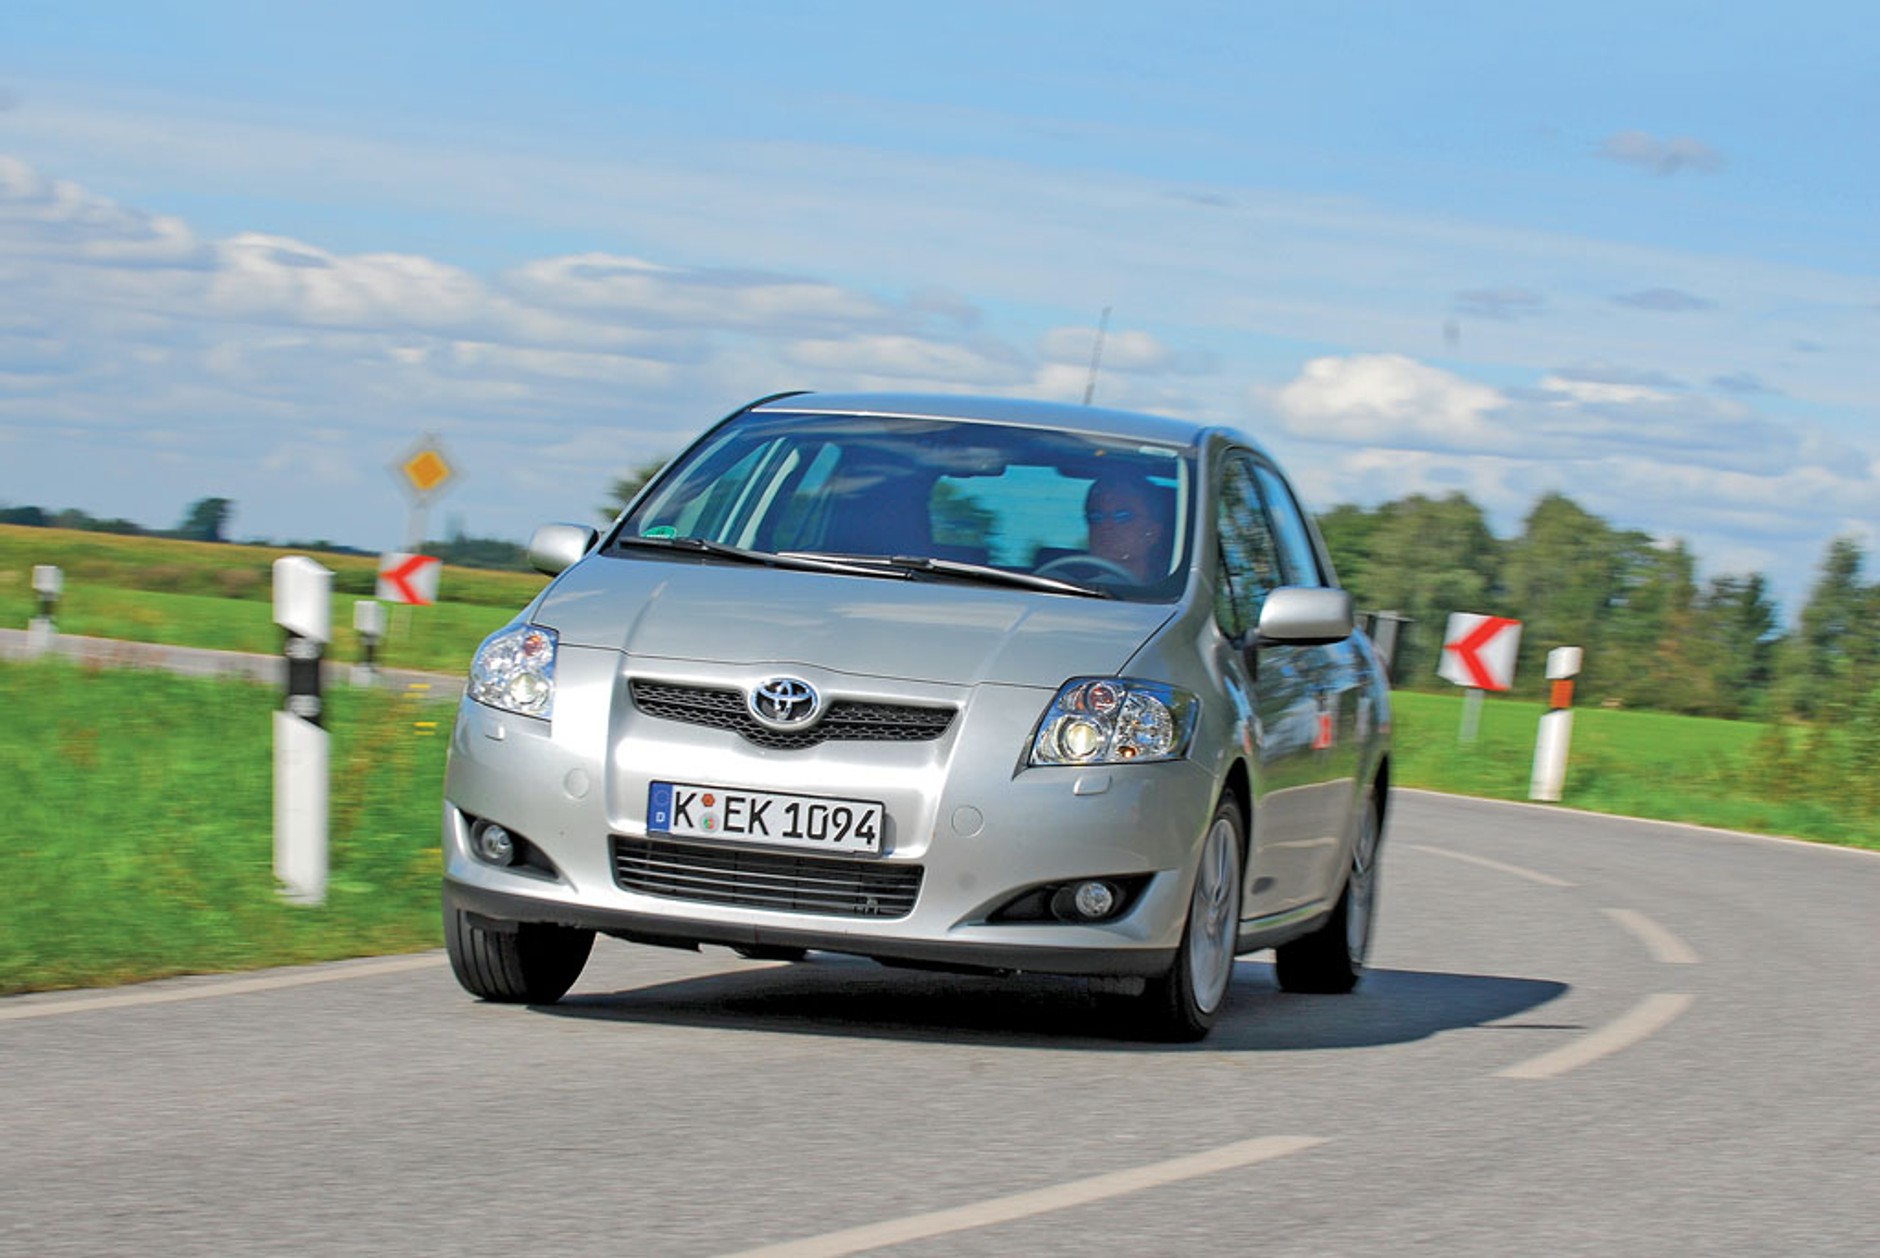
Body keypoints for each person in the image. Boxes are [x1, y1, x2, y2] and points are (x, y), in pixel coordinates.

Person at [1084, 473, 1172, 583]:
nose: (1105, 526)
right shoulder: (1065, 587)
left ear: (1153, 532)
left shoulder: (1170, 596)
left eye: (1123, 516)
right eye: (1096, 517)